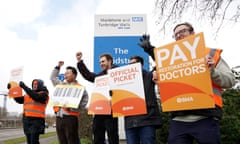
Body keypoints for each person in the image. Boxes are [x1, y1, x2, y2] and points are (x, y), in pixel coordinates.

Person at [138, 22, 236, 144]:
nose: (179, 35)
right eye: (176, 34)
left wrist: (212, 72)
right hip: (179, 119)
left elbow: (230, 81)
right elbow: (167, 89)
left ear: (193, 33)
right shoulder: (171, 60)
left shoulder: (209, 54)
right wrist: (159, 82)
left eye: (183, 31)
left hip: (206, 117)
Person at [76, 52, 119, 144]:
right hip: (99, 110)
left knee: (112, 136)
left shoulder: (118, 73)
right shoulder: (99, 76)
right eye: (100, 62)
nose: (101, 64)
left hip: (112, 111)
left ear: (110, 61)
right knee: (97, 135)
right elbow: (88, 75)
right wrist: (80, 62)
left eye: (103, 61)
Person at [125, 55, 162, 144]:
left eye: (133, 64)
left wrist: (149, 49)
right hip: (130, 122)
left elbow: (161, 62)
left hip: (147, 121)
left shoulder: (149, 76)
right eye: (129, 64)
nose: (131, 66)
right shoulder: (125, 82)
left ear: (141, 65)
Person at [50, 61, 89, 144]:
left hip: (70, 118)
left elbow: (85, 100)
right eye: (65, 73)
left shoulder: (79, 88)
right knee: (62, 141)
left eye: (68, 73)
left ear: (74, 75)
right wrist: (58, 67)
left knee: (72, 141)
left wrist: (72, 108)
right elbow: (53, 78)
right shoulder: (61, 85)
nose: (65, 75)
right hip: (59, 118)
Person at [8, 79, 49, 144]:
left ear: (40, 85)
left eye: (36, 84)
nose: (34, 85)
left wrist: (24, 86)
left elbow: (36, 97)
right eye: (33, 84)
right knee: (29, 141)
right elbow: (19, 100)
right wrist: (13, 90)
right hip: (27, 120)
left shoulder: (44, 94)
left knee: (34, 141)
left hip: (37, 121)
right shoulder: (28, 94)